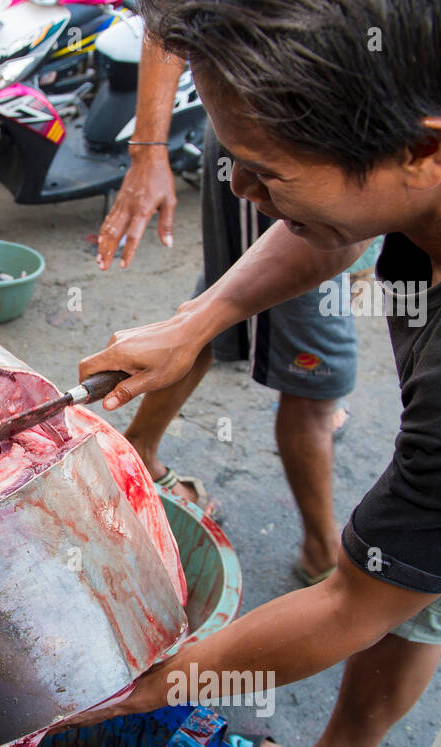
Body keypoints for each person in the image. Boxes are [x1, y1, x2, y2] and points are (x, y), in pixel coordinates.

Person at [78, 0, 441, 747]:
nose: (239, 190)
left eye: (266, 172)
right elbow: (342, 214)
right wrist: (202, 319)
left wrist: (152, 686)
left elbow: (349, 605)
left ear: (425, 152)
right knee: (421, 579)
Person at [98, 33, 356, 585]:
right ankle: (321, 550)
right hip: (297, 141)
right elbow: (167, 23)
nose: (238, 186)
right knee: (311, 365)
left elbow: (350, 243)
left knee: (226, 306)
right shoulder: (285, 170)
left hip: (322, 154)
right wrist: (148, 150)